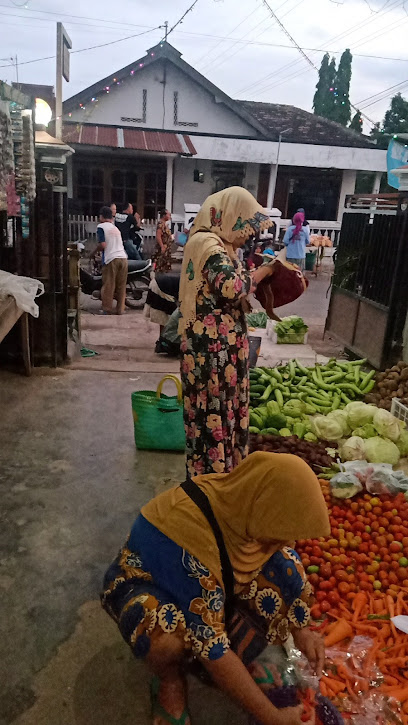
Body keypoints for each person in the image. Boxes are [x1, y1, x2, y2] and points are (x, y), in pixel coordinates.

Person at [101, 452, 330, 725]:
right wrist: (273, 718)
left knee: (285, 566)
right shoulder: (193, 548)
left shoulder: (239, 500)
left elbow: (283, 563)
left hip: (205, 579)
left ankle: (233, 666)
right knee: (163, 634)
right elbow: (213, 650)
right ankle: (170, 681)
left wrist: (301, 630)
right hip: (143, 584)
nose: (288, 539)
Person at [179, 186, 272, 476]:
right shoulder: (208, 245)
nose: (249, 234)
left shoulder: (219, 244)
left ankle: (220, 481)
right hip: (212, 354)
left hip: (220, 352)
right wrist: (263, 272)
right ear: (230, 216)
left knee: (219, 415)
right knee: (212, 417)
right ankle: (213, 487)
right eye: (245, 224)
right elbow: (231, 287)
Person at [93, 206, 128, 315]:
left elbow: (103, 245)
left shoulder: (101, 227)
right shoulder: (115, 228)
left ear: (102, 216)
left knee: (109, 285)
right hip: (123, 258)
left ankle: (106, 309)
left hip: (112, 259)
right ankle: (120, 309)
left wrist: (93, 252)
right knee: (121, 286)